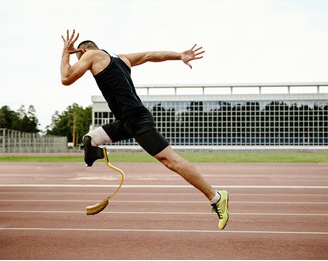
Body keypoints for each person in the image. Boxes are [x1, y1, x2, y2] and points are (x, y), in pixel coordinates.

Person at [60, 29, 229, 230]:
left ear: (84, 50)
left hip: (137, 120)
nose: (83, 65)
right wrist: (179, 55)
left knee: (171, 161)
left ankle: (216, 197)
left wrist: (64, 52)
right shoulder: (121, 59)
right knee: (91, 138)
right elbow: (150, 56)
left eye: (80, 59)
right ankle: (95, 153)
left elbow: (66, 78)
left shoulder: (92, 54)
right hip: (126, 122)